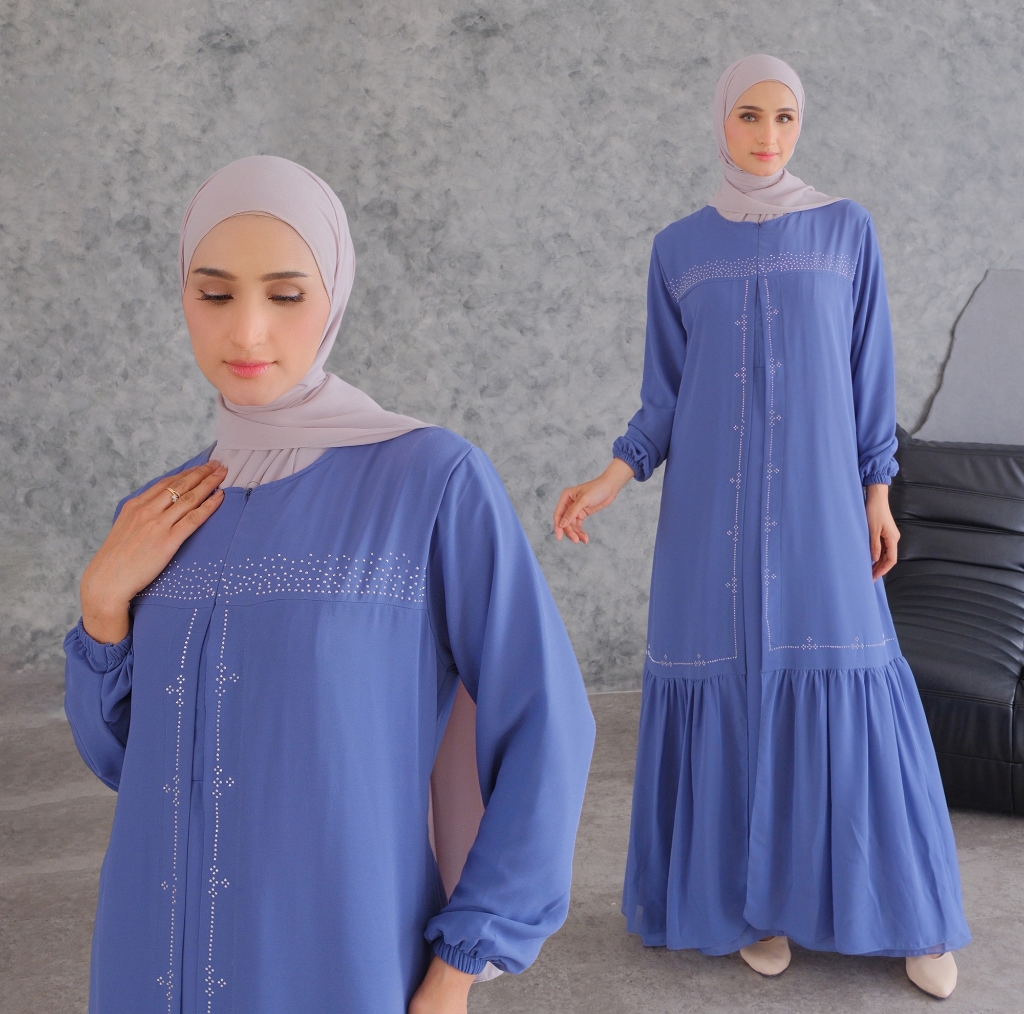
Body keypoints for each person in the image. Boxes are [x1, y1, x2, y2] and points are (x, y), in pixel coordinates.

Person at [64, 155, 595, 1014]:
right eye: (214, 294)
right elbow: (129, 760)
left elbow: (549, 723)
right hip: (146, 960)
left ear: (334, 294)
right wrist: (101, 609)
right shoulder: (160, 510)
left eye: (285, 295)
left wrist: (459, 967)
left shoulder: (431, 482)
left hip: (338, 961)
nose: (247, 333)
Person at [553, 55, 969, 1000]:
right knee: (733, 691)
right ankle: (756, 906)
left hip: (821, 508)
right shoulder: (679, 249)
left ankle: (911, 914)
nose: (768, 135)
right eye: (749, 115)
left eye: (784, 117)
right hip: (710, 518)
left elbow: (869, 371)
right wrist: (612, 476)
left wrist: (878, 491)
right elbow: (665, 395)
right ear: (721, 122)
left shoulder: (845, 229)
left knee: (850, 682)